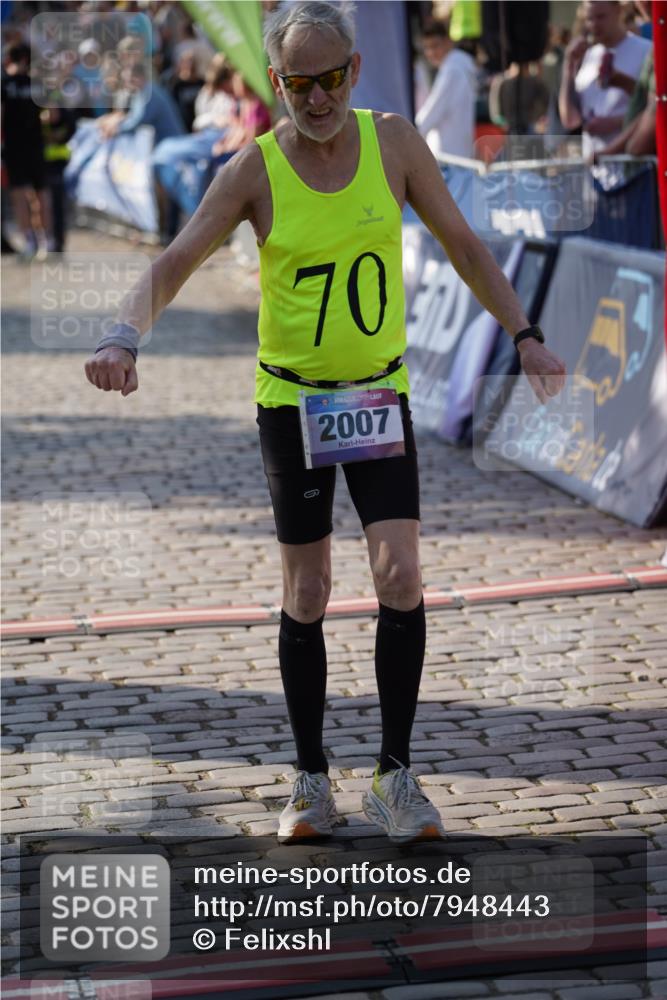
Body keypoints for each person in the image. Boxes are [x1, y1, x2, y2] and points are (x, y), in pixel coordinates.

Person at [84, 1, 566, 846]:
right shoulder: (252, 171)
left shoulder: (394, 143)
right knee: (306, 591)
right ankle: (310, 778)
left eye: (332, 77)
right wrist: (122, 336)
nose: (317, 98)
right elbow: (175, 259)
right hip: (293, 402)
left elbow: (463, 244)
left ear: (355, 70)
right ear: (275, 83)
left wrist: (523, 334)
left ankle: (394, 775)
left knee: (400, 577)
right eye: (299, 83)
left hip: (375, 396)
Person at [559, 0, 651, 156]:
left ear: (617, 11)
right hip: (594, 169)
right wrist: (568, 68)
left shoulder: (646, 51)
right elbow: (570, 120)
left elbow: (654, 109)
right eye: (589, 18)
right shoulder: (588, 56)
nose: (594, 25)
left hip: (632, 166)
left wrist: (616, 123)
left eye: (601, 17)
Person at [415, 17, 478, 159]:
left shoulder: (452, 71)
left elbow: (429, 116)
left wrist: (405, 134)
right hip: (459, 153)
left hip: (448, 157)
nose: (431, 53)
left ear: (448, 42)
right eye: (427, 48)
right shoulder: (460, 66)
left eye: (435, 46)